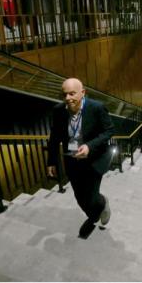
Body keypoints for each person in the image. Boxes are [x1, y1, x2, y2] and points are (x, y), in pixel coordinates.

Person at [46, 77, 114, 238]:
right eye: (65, 95)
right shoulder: (58, 110)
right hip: (72, 160)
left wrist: (90, 146)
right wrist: (51, 162)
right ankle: (94, 213)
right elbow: (54, 138)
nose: (68, 98)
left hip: (94, 160)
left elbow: (109, 131)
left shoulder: (97, 108)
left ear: (83, 93)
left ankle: (100, 206)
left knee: (91, 197)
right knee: (79, 198)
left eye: (72, 94)